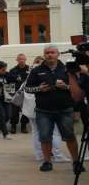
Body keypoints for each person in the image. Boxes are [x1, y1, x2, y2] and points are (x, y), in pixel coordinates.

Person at [25, 45, 81, 173]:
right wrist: (39, 89)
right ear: (44, 55)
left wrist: (66, 87)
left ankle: (76, 162)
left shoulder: (67, 69)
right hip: (43, 110)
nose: (50, 55)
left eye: (52, 52)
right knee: (45, 137)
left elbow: (78, 87)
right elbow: (27, 88)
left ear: (58, 54)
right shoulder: (37, 70)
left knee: (70, 136)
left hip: (64, 109)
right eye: (47, 53)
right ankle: (47, 162)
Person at [24, 56, 69, 163]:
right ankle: (56, 155)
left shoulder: (32, 72)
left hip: (32, 106)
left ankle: (40, 155)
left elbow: (27, 88)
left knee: (37, 131)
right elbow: (30, 89)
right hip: (40, 106)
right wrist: (40, 88)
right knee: (53, 131)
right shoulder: (39, 72)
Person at [8, 54, 31, 134]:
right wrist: (11, 95)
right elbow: (9, 83)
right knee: (14, 111)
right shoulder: (13, 70)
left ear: (25, 59)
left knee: (25, 110)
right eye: (20, 59)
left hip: (27, 93)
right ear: (17, 60)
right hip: (16, 93)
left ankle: (23, 126)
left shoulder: (30, 69)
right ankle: (13, 126)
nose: (21, 60)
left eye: (23, 59)